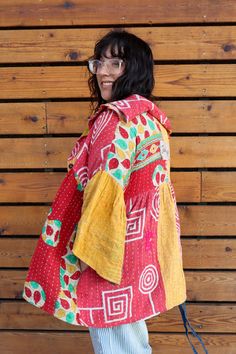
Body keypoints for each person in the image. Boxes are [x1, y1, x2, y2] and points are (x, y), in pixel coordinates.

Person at [22, 30, 208, 354]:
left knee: (115, 346)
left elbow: (103, 195)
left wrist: (89, 253)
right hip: (143, 253)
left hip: (110, 253)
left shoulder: (115, 120)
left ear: (134, 69)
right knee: (134, 343)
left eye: (116, 63)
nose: (104, 72)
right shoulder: (153, 121)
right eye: (100, 63)